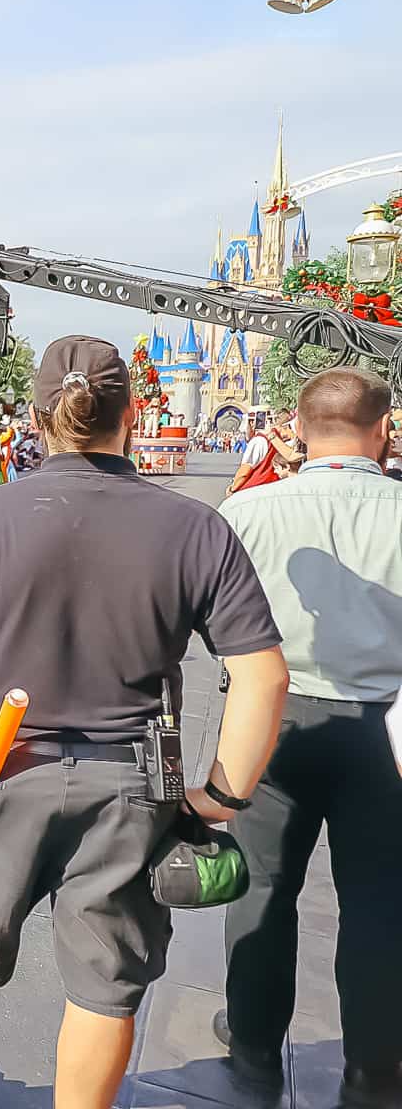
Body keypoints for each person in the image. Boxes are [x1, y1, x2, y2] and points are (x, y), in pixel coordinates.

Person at [0, 336, 289, 1109]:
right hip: (133, 777)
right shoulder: (194, 527)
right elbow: (263, 674)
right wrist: (220, 795)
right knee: (106, 977)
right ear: (134, 417)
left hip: (3, 765)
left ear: (39, 420)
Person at [213, 367, 402, 1107]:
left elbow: (204, 623)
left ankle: (256, 1049)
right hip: (384, 729)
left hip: (272, 722)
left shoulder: (247, 513)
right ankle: (374, 1069)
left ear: (295, 426)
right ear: (384, 429)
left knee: (260, 889)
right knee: (381, 901)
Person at [225, 410, 298, 496]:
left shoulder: (260, 440)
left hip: (252, 491)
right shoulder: (279, 442)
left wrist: (232, 489)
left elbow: (245, 471)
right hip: (271, 492)